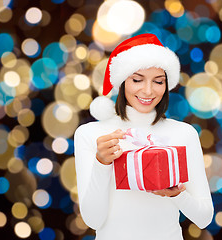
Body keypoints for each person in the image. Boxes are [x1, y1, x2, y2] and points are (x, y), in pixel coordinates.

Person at [74, 33, 213, 240]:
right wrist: (101, 163)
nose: (147, 91)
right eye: (137, 80)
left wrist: (177, 194)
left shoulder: (183, 134)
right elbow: (93, 220)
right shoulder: (92, 134)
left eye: (158, 81)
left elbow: (204, 218)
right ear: (122, 82)